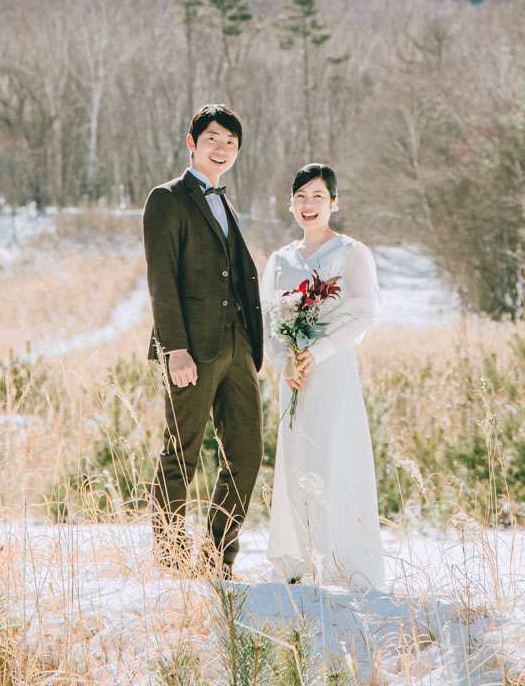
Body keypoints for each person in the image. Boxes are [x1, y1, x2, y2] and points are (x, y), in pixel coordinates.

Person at [143, 104, 264, 578]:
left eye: (231, 143)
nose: (222, 149)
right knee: (181, 453)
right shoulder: (167, 198)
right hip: (190, 348)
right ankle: (171, 563)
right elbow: (162, 279)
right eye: (213, 139)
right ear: (192, 142)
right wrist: (174, 348)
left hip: (237, 345)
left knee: (248, 454)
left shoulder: (223, 199)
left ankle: (217, 561)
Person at [263, 163, 386, 592]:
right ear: (290, 204)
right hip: (293, 376)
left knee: (336, 455)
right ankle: (298, 556)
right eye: (300, 197)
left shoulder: (352, 253)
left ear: (334, 202)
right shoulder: (281, 259)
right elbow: (268, 319)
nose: (308, 205)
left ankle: (341, 559)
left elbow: (363, 315)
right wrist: (285, 361)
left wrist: (316, 352)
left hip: (331, 370)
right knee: (297, 457)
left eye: (318, 196)